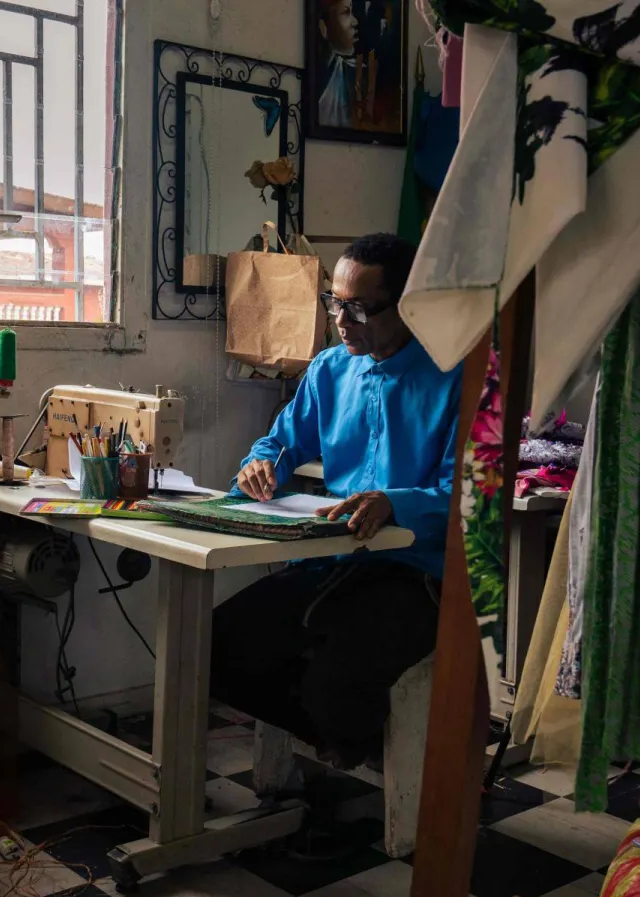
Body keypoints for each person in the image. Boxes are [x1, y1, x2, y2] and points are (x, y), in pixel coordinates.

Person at [210, 232, 463, 770]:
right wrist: (261, 466)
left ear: (408, 305)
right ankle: (343, 745)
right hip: (334, 559)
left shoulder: (455, 379)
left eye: (360, 308)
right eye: (335, 302)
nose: (342, 321)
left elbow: (466, 495)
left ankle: (355, 750)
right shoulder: (329, 370)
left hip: (415, 573)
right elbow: (278, 444)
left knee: (337, 673)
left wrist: (395, 503)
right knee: (216, 644)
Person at [316, 0, 358, 129]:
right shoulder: (319, 77)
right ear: (324, 28)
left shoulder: (360, 72)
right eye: (345, 12)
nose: (355, 22)